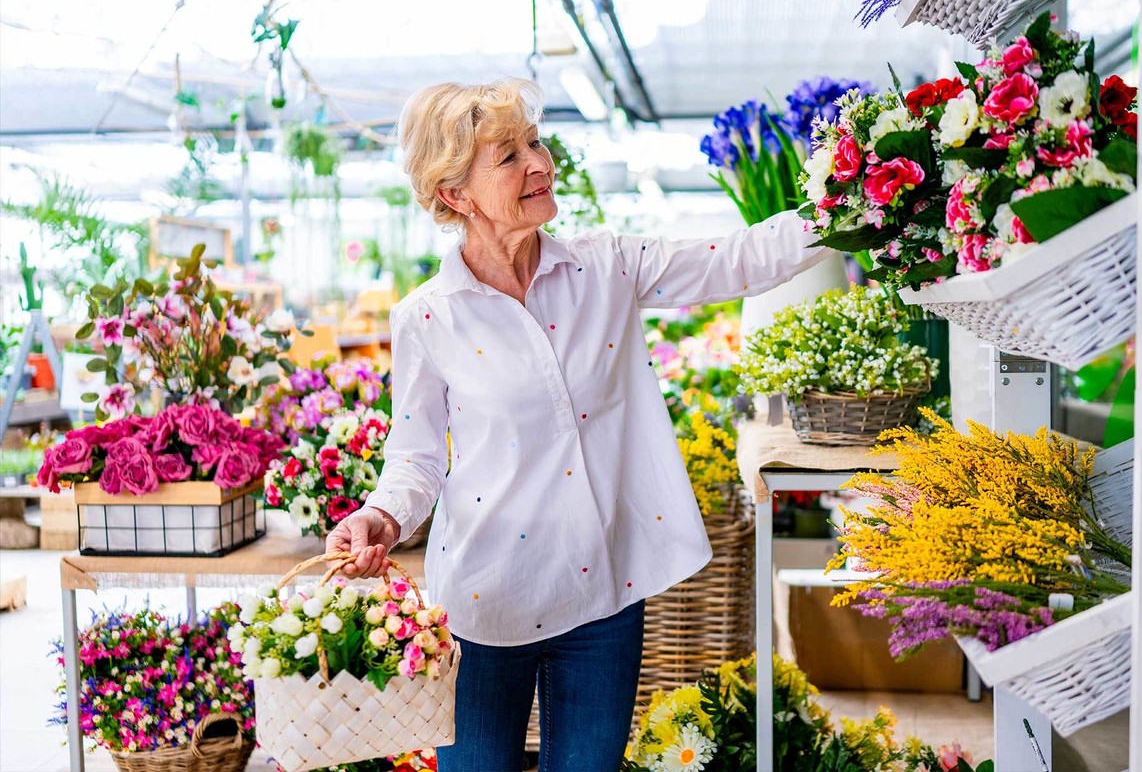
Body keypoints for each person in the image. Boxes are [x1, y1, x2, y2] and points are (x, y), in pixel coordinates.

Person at [326, 77, 831, 771]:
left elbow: (741, 261)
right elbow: (416, 456)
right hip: (481, 603)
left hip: (599, 597)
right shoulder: (428, 316)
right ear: (455, 194)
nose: (540, 163)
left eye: (534, 142)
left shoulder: (607, 267)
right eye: (508, 156)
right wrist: (382, 515)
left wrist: (856, 199)